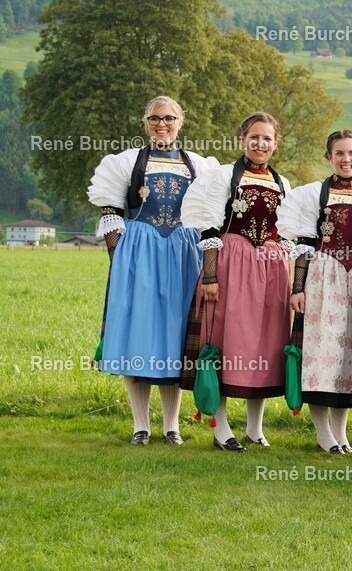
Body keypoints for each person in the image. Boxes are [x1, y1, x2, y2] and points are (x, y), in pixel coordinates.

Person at [88, 95, 218, 446]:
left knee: (176, 338)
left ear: (181, 121)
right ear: (145, 122)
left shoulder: (199, 166)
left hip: (182, 251)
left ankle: (171, 426)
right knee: (139, 335)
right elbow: (111, 212)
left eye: (169, 117)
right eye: (155, 118)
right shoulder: (127, 162)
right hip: (141, 252)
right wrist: (121, 257)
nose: (162, 124)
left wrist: (208, 268)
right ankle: (140, 426)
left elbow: (208, 219)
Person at [180, 112, 292, 452]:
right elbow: (211, 228)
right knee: (227, 342)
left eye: (267, 138)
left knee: (265, 345)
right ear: (242, 138)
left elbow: (288, 230)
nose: (261, 143)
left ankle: (255, 428)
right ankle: (221, 426)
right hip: (233, 264)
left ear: (276, 143)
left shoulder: (282, 182)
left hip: (272, 270)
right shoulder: (224, 177)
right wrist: (211, 276)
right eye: (254, 137)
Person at [277, 130, 352, 454]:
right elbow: (305, 244)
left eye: (351, 153)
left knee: (350, 356)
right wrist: (298, 287)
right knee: (322, 355)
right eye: (339, 154)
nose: (346, 159)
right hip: (324, 276)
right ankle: (323, 434)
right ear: (329, 157)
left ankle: (341, 434)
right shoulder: (315, 195)